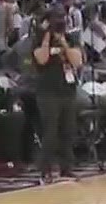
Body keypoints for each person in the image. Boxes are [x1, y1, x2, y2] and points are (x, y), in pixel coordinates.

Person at [30, 10, 83, 183]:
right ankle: (45, 169)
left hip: (67, 89)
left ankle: (66, 168)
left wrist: (63, 43)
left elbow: (77, 61)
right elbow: (42, 59)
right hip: (47, 91)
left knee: (68, 130)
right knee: (50, 131)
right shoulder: (37, 40)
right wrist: (46, 37)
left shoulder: (70, 38)